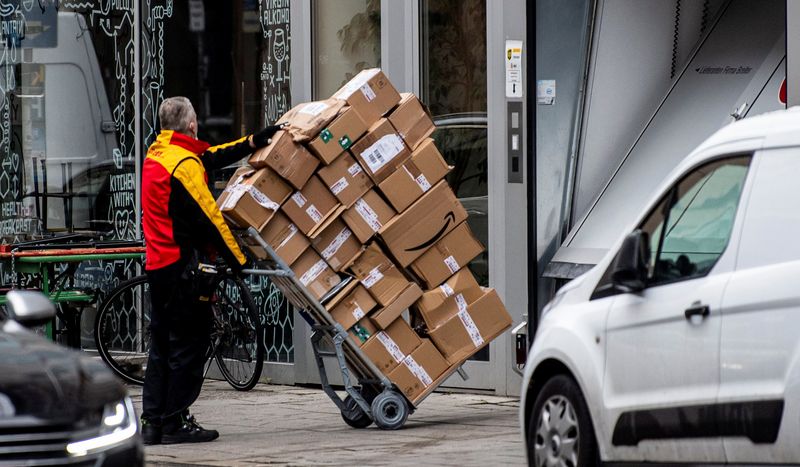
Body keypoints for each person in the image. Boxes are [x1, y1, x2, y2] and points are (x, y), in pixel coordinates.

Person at [140, 96, 280, 445]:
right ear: (191, 125)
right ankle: (175, 421)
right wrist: (241, 261)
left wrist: (251, 142)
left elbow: (209, 155)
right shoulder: (183, 167)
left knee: (161, 347)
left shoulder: (159, 152)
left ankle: (153, 422)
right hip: (182, 270)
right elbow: (212, 220)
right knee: (189, 346)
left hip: (158, 267)